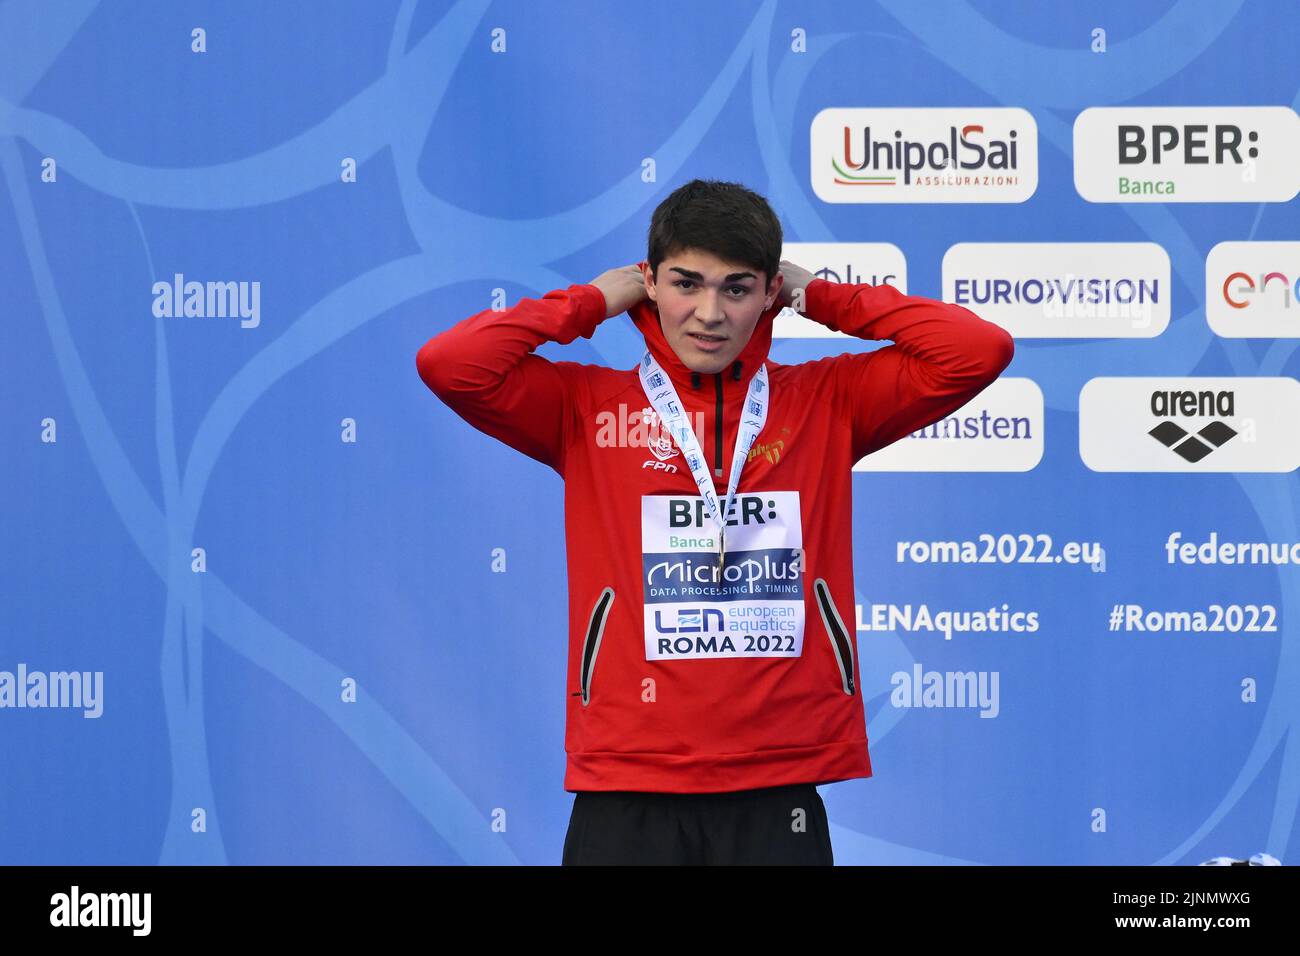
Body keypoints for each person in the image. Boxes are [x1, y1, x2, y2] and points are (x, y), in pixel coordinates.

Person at [416, 179, 1014, 865]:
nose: (709, 313)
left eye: (736, 288)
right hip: (626, 783)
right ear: (650, 284)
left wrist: (820, 295)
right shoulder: (584, 409)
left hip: (776, 781)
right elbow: (451, 364)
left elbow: (978, 349)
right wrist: (591, 300)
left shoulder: (829, 401)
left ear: (768, 294)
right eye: (685, 283)